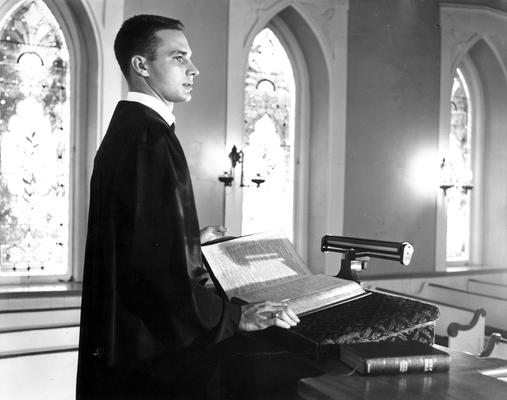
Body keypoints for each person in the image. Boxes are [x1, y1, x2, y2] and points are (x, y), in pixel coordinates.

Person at [76, 14, 299, 399]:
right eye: (178, 57)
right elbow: (155, 274)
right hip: (151, 359)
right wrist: (235, 317)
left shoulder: (129, 130)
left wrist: (189, 240)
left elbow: (135, 240)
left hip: (123, 346)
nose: (194, 69)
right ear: (141, 65)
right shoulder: (150, 137)